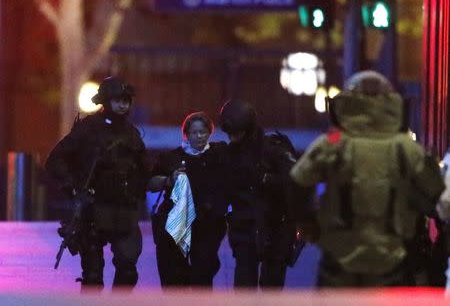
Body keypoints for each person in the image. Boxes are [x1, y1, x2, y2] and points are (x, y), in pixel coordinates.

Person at [290, 70, 445, 287]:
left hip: (338, 261)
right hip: (392, 260)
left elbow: (297, 183)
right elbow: (436, 195)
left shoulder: (333, 142)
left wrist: (308, 223)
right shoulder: (405, 147)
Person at [46, 76, 151, 290]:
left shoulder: (131, 133)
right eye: (117, 100)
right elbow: (56, 160)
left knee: (128, 270)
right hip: (93, 209)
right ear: (105, 101)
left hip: (124, 209)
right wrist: (72, 186)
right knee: (93, 277)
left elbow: (144, 168)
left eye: (126, 100)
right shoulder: (88, 129)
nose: (123, 105)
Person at [219, 99, 298, 289]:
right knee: (244, 287)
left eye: (236, 132)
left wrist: (265, 179)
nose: (232, 137)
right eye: (230, 133)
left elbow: (295, 181)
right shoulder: (229, 154)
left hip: (275, 227)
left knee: (272, 288)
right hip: (245, 228)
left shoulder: (274, 149)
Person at [149, 112, 228, 288]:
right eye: (194, 132)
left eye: (203, 132)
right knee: (175, 277)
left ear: (209, 133)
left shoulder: (219, 154)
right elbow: (151, 182)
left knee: (203, 274)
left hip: (208, 226)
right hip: (176, 226)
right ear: (186, 134)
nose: (199, 136)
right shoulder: (172, 158)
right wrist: (169, 180)